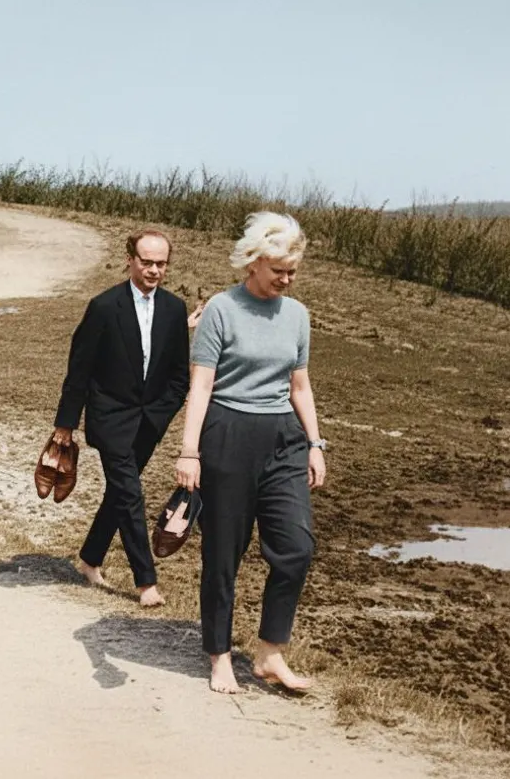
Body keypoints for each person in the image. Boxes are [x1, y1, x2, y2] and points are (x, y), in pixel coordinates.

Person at [174, 211, 328, 695]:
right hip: (228, 433)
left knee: (297, 548)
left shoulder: (297, 315)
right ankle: (219, 655)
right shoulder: (221, 310)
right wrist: (189, 451)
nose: (286, 279)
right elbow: (201, 385)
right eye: (278, 269)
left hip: (283, 437)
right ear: (253, 262)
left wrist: (315, 443)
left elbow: (299, 385)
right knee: (224, 552)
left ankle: (269, 654)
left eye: (292, 271)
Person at [52, 229, 192, 607]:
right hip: (110, 419)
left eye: (161, 263)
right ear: (130, 259)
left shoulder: (175, 309)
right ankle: (146, 583)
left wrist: (163, 413)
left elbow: (180, 375)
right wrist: (66, 424)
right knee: (130, 494)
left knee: (119, 493)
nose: (154, 270)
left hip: (150, 422)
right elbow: (79, 369)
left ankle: (90, 559)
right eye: (146, 262)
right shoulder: (103, 306)